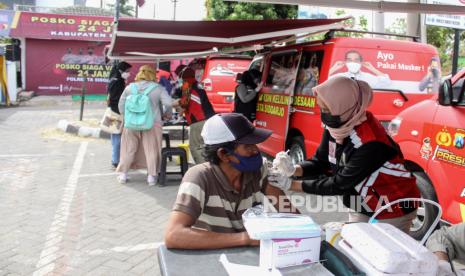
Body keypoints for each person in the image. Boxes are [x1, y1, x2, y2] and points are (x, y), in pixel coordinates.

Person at [268, 76, 420, 233]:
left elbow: (339, 184)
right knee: (356, 245)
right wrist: (293, 169)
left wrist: (291, 185)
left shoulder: (372, 142)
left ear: (344, 106)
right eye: (322, 109)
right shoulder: (337, 126)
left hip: (393, 205)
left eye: (328, 110)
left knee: (383, 252)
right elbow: (321, 162)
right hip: (361, 202)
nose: (324, 115)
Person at [164, 113, 295, 249]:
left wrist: (309, 232)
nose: (256, 151)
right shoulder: (199, 178)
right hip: (212, 259)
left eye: (255, 144)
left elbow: (289, 212)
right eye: (248, 146)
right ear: (223, 154)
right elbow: (174, 235)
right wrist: (245, 238)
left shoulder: (259, 171)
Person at [116, 65, 173, 185]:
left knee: (128, 149)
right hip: (152, 124)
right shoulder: (158, 88)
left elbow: (121, 105)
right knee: (151, 150)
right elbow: (168, 103)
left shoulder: (129, 88)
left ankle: (123, 175)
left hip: (131, 124)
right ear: (153, 74)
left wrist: (127, 116)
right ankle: (151, 177)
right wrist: (167, 114)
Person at [173, 67, 215, 164]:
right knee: (204, 146)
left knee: (195, 147)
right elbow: (191, 102)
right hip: (208, 119)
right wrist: (181, 112)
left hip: (198, 121)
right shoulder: (198, 85)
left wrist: (171, 103)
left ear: (183, 77)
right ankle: (209, 168)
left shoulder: (187, 85)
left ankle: (202, 170)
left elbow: (184, 103)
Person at [107, 61, 132, 168]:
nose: (128, 73)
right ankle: (116, 161)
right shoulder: (117, 81)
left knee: (115, 136)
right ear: (122, 70)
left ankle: (115, 159)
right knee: (117, 136)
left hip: (113, 110)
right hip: (116, 112)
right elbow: (115, 98)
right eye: (127, 71)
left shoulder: (115, 79)